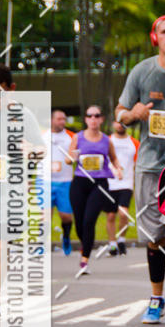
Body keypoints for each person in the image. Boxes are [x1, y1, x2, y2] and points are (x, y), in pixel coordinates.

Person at [115, 16, 165, 323]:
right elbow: (120, 113)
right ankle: (155, 297)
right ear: (155, 37)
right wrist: (132, 113)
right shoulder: (142, 71)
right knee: (154, 235)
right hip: (149, 165)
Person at [0, 65, 44, 319]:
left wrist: (31, 150)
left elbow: (41, 150)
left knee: (0, 247)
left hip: (8, 195)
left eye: (0, 93)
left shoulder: (24, 116)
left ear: (12, 90)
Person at [67, 106, 123, 274]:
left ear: (101, 119)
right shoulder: (77, 138)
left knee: (89, 220)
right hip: (80, 183)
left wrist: (119, 169)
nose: (93, 118)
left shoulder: (107, 140)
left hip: (99, 184)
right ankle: (85, 245)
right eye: (89, 115)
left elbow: (113, 159)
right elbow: (68, 159)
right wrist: (72, 158)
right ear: (86, 119)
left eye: (96, 115)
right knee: (79, 222)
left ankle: (85, 260)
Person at [44, 108, 75, 256]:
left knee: (66, 216)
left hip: (65, 181)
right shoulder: (43, 136)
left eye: (64, 119)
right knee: (44, 215)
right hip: (45, 181)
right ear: (51, 120)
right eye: (59, 119)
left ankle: (67, 237)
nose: (62, 121)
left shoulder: (70, 137)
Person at [106, 118, 139, 255]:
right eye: (117, 122)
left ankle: (121, 239)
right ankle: (112, 244)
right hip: (109, 182)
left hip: (126, 183)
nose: (120, 125)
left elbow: (138, 163)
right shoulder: (107, 140)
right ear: (113, 124)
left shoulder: (134, 143)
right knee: (111, 216)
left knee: (123, 213)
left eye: (122, 122)